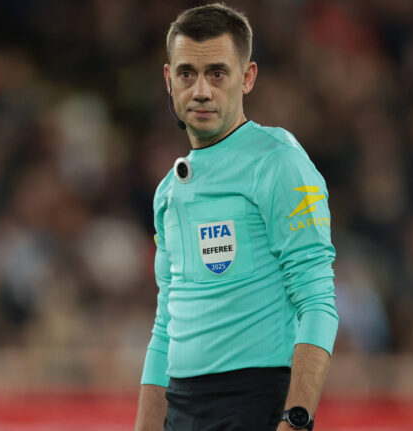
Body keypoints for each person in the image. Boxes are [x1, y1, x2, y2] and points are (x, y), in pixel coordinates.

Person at [135, 4, 339, 430]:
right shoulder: (168, 193)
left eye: (218, 73)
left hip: (255, 405)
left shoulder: (278, 162)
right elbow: (166, 325)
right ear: (169, 80)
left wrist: (297, 420)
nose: (202, 90)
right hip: (182, 408)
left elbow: (317, 298)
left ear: (247, 78)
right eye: (188, 73)